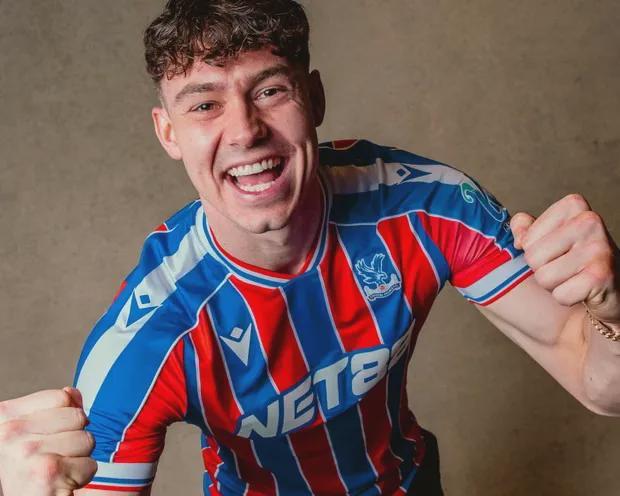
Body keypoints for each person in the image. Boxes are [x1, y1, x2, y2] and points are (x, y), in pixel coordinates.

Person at [0, 1, 619, 495]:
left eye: (270, 91)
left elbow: (600, 385)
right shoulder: (151, 336)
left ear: (314, 99)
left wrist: (614, 313)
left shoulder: (426, 205)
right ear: (169, 133)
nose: (245, 131)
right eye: (206, 105)